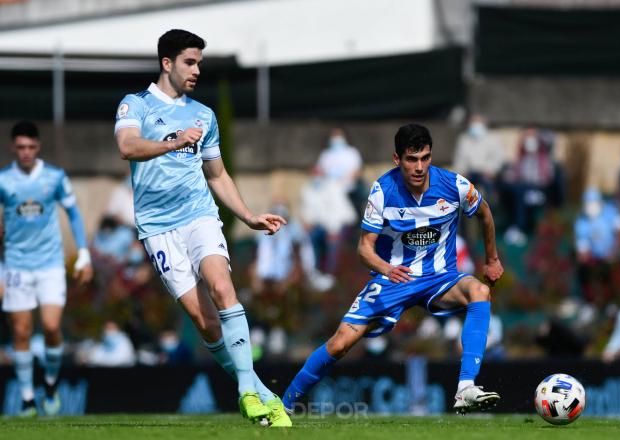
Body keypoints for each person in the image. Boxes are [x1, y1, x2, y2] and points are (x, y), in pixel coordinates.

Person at [113, 29, 290, 427]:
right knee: (205, 322)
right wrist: (173, 143)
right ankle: (264, 394)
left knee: (222, 287)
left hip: (199, 216)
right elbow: (128, 147)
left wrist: (248, 216)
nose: (196, 71)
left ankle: (246, 391)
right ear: (167, 63)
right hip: (157, 229)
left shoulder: (204, 115)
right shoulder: (135, 105)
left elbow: (217, 175)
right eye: (189, 63)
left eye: (199, 64)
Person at [282, 124, 504, 415]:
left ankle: (465, 388)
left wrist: (492, 259)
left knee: (479, 290)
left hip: (440, 278)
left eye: (425, 158)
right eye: (412, 159)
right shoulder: (382, 191)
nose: (420, 167)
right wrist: (386, 269)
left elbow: (485, 214)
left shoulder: (455, 186)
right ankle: (283, 405)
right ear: (397, 159)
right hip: (393, 280)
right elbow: (364, 249)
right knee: (340, 344)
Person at [0, 120, 93, 416]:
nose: (26, 152)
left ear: (38, 147)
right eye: (21, 147)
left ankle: (51, 384)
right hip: (16, 265)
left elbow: (74, 214)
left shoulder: (54, 177)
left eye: (31, 147)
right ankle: (28, 398)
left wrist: (83, 254)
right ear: (13, 148)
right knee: (21, 332)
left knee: (52, 327)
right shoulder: (3, 180)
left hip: (50, 263)